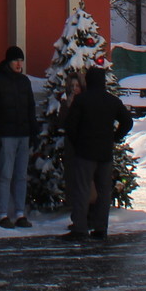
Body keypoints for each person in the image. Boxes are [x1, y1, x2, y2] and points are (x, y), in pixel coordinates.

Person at [59, 66, 133, 240]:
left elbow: (70, 126)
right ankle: (100, 228)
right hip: (105, 153)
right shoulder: (112, 101)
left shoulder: (81, 100)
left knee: (82, 191)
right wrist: (115, 137)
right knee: (103, 192)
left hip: (85, 152)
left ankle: (80, 229)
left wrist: (78, 142)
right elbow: (127, 122)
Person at [0, 44, 35, 228]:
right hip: (5, 135)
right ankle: (2, 213)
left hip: (23, 134)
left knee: (20, 175)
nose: (19, 64)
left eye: (21, 60)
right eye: (16, 60)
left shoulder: (24, 81)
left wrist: (32, 130)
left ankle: (20, 213)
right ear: (8, 61)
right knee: (5, 175)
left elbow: (30, 107)